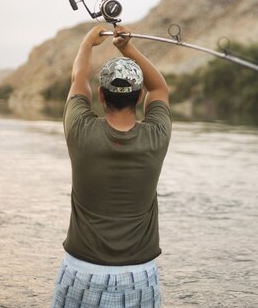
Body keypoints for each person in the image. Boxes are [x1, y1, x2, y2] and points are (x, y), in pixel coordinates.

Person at [50, 25, 172, 308]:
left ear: (101, 96)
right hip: (138, 275)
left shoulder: (79, 131)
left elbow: (78, 78)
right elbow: (160, 88)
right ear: (140, 98)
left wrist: (87, 44)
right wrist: (126, 47)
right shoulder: (157, 136)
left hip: (81, 271)